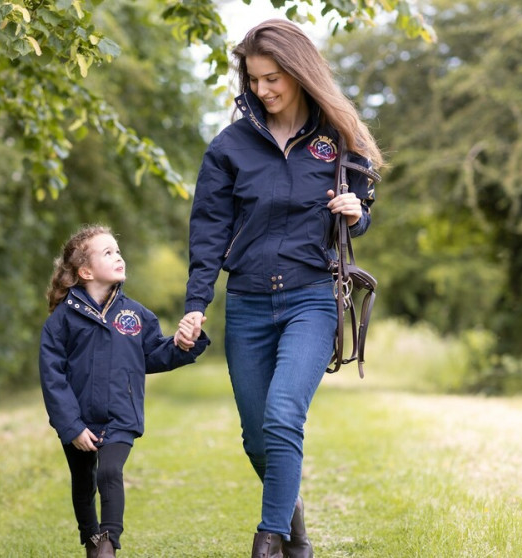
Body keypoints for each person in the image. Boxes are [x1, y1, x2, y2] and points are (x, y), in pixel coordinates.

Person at [174, 19, 383, 558]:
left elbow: (358, 215)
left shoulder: (340, 139)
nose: (263, 90)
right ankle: (297, 538)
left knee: (283, 414)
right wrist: (197, 304)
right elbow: (208, 232)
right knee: (257, 437)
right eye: (254, 80)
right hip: (245, 304)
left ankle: (267, 541)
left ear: (298, 72)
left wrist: (356, 213)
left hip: (312, 297)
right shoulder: (229, 147)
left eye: (273, 79)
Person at [39, 224, 210, 558]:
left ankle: (108, 544)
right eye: (107, 253)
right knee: (84, 479)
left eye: (117, 251)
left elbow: (152, 356)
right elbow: (52, 376)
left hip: (121, 414)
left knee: (110, 471)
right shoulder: (62, 320)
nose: (118, 257)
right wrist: (71, 426)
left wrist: (182, 344)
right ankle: (90, 538)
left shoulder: (136, 314)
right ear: (85, 271)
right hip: (79, 419)